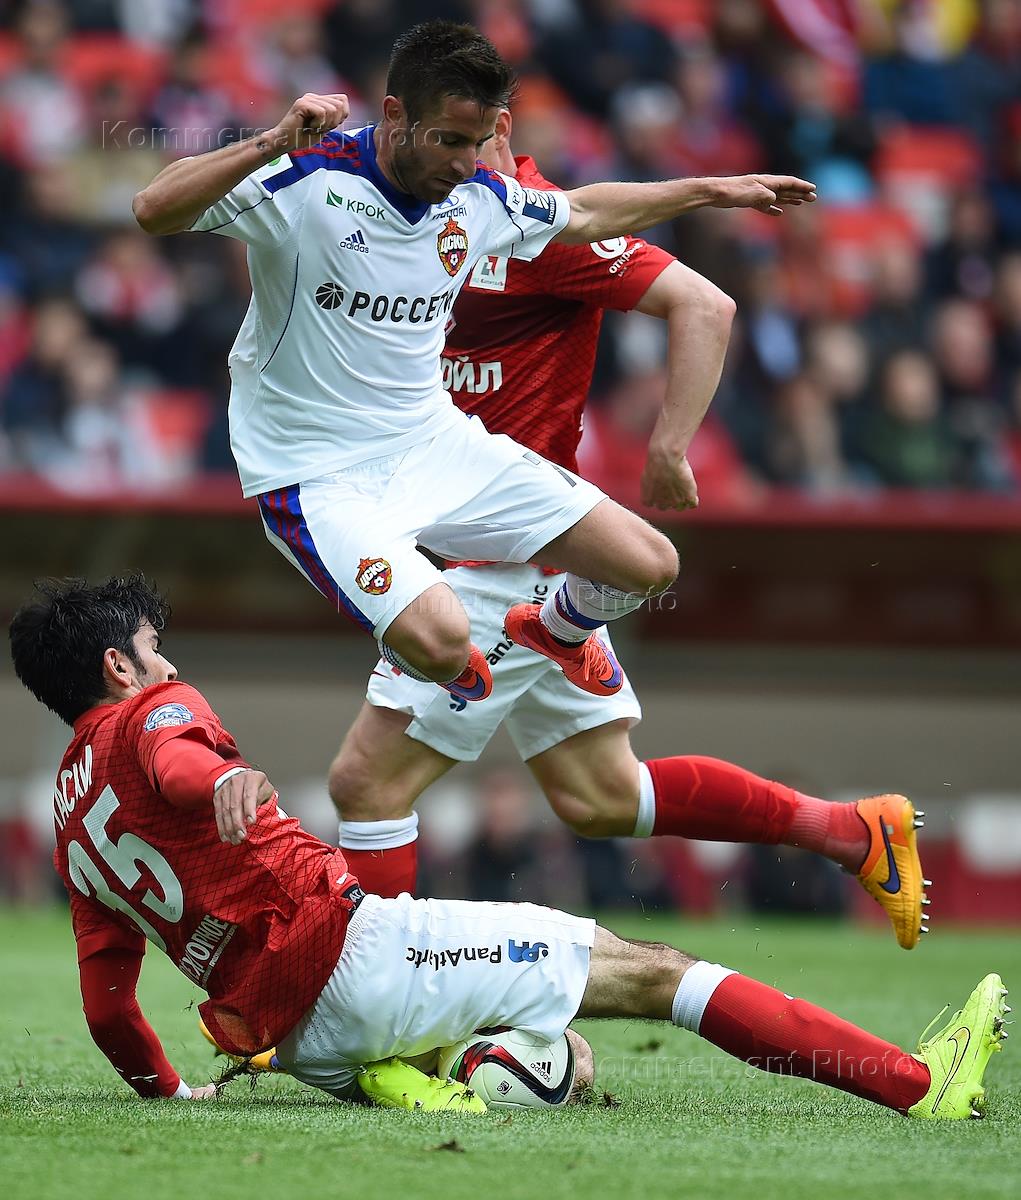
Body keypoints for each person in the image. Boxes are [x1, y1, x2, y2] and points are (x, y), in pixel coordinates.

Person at [8, 575, 1009, 1119]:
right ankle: (919, 1086)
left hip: (301, 1044)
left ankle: (421, 1070)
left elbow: (108, 1009)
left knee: (566, 1058)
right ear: (118, 666)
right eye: (155, 649)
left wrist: (168, 1094)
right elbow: (176, 757)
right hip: (358, 962)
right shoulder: (154, 713)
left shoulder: (68, 825)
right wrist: (220, 778)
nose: (169, 663)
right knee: (656, 972)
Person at [328, 108, 927, 955]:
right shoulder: (416, 217)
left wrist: (670, 446)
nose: (446, 157)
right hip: (492, 546)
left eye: (464, 139)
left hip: (499, 561)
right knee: (601, 796)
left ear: (501, 129)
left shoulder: (537, 227)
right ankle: (848, 830)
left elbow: (704, 304)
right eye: (433, 139)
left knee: (367, 785)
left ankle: (366, 995)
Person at [132, 20, 816, 708]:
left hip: (433, 443)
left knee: (648, 565)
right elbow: (153, 210)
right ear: (395, 115)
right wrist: (274, 140)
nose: (466, 163)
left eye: (478, 141)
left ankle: (555, 630)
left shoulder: (477, 197)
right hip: (318, 474)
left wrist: (712, 190)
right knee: (443, 642)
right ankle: (432, 652)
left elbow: (581, 212)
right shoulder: (308, 176)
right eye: (450, 141)